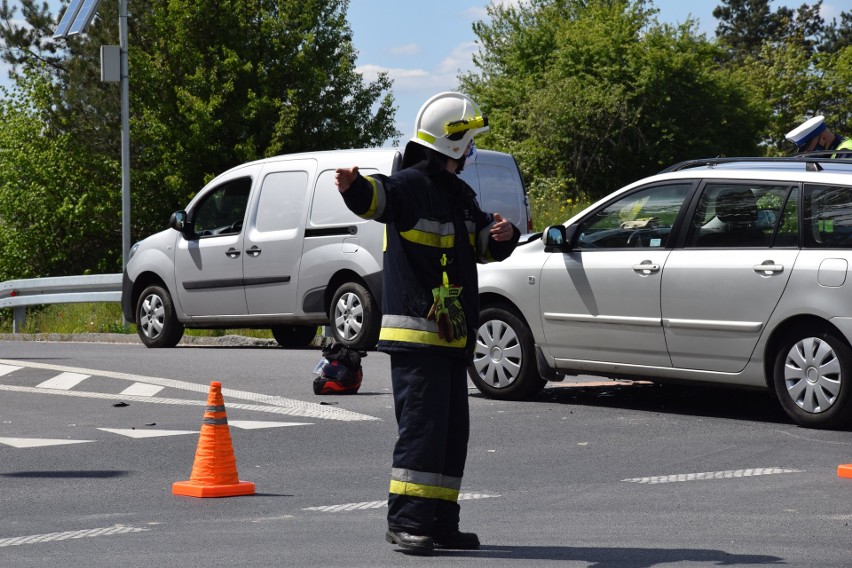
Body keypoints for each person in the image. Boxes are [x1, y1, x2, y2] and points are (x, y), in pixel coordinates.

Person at [335, 91, 520, 556]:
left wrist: (504, 237)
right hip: (417, 338)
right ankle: (406, 524)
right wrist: (354, 187)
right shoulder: (410, 184)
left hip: (451, 337)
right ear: (453, 143)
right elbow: (379, 198)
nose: (473, 150)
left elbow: (480, 244)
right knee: (421, 431)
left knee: (451, 433)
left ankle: (441, 523)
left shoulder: (459, 195)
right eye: (470, 142)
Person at [786, 115, 852, 154]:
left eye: (808, 147)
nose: (807, 153)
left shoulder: (845, 153)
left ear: (823, 138)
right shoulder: (833, 153)